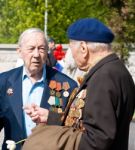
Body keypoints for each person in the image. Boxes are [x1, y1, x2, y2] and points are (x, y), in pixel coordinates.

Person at [23, 18, 135, 150]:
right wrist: (51, 117)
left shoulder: (104, 77)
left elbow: (97, 139)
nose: (71, 56)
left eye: (70, 49)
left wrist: (48, 140)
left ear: (83, 48)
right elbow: (86, 120)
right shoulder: (113, 70)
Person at [0, 28, 78, 150]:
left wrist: (52, 118)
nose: (36, 54)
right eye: (31, 49)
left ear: (47, 51)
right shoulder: (3, 82)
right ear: (19, 51)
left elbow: (75, 129)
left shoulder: (66, 86)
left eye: (41, 49)